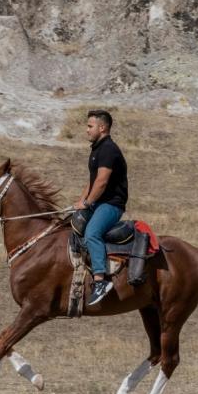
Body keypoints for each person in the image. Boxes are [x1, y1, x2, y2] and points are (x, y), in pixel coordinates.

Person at [74, 109, 128, 306]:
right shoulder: (97, 149)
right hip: (98, 202)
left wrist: (87, 203)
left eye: (90, 126)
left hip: (111, 205)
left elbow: (102, 182)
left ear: (102, 127)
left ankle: (100, 281)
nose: (87, 130)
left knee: (92, 233)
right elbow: (92, 182)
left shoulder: (108, 150)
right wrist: (80, 204)